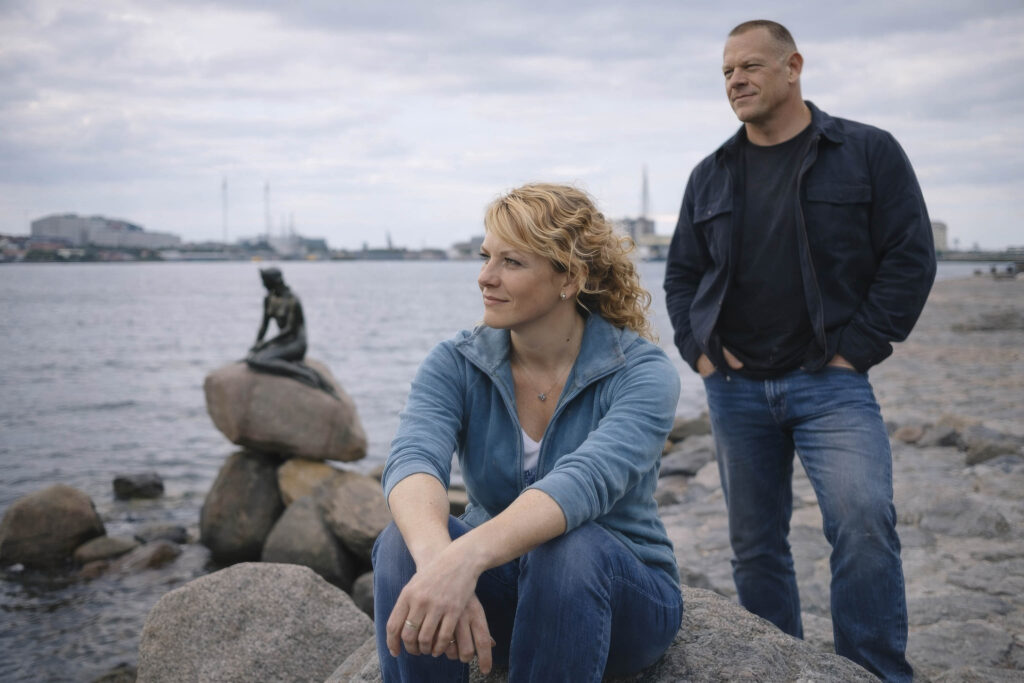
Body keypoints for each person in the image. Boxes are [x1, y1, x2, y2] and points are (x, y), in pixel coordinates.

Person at [664, 20, 935, 682]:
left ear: (794, 67)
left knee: (864, 520)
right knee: (755, 549)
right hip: (734, 390)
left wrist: (857, 349)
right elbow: (681, 276)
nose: (736, 81)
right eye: (727, 72)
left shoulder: (867, 151)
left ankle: (872, 670)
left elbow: (910, 254)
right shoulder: (712, 174)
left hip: (830, 384)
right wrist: (701, 354)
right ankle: (778, 665)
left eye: (750, 66)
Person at [373, 183, 683, 681]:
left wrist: (463, 560)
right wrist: (439, 564)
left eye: (511, 262)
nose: (485, 278)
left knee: (569, 547)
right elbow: (413, 460)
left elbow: (581, 484)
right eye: (485, 257)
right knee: (399, 544)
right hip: (501, 590)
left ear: (570, 277)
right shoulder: (456, 361)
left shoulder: (640, 372)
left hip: (616, 596)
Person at [245, 267, 335, 395]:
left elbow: (289, 330)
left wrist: (265, 345)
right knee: (253, 359)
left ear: (274, 281)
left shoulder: (292, 300)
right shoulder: (269, 299)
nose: (263, 285)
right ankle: (293, 367)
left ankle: (304, 373)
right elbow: (263, 326)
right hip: (282, 342)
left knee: (259, 361)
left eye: (265, 281)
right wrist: (256, 345)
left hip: (295, 343)